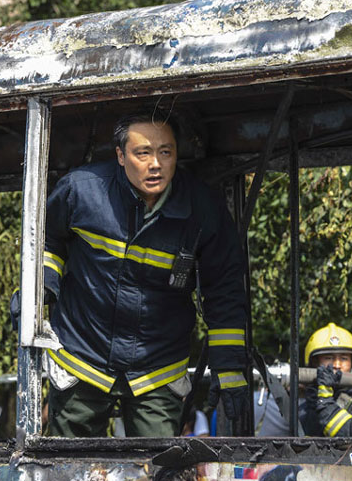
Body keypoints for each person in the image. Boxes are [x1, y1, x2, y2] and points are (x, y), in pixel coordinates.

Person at [19, 108, 248, 438]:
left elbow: (223, 287)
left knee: (158, 468)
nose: (155, 164)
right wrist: (38, 293)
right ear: (121, 156)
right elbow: (44, 243)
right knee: (67, 468)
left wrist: (229, 366)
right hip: (82, 356)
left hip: (158, 367)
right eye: (143, 152)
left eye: (165, 152)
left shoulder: (203, 209)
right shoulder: (81, 191)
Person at [299, 323, 352, 437]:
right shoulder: (303, 408)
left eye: (344, 358)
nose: (337, 365)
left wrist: (325, 402)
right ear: (314, 363)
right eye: (328, 358)